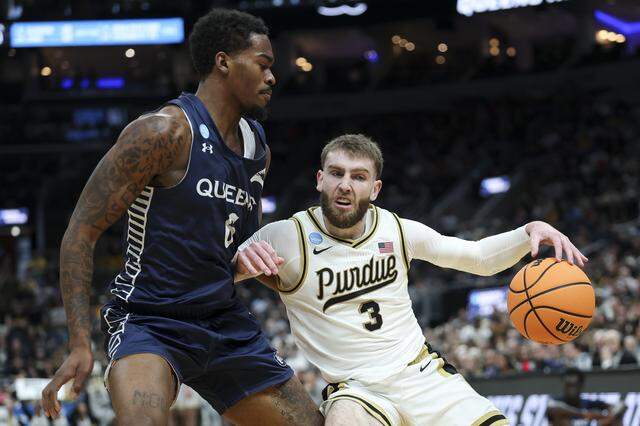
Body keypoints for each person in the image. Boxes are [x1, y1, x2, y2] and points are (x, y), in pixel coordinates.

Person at [41, 8, 323, 425]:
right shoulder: (162, 133)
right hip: (149, 320)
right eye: (263, 65)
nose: (272, 78)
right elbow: (80, 232)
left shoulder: (257, 148)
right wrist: (80, 342)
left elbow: (233, 249)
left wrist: (251, 263)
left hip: (223, 320)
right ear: (223, 61)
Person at [235, 134, 588, 426]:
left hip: (421, 375)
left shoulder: (397, 230)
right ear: (319, 179)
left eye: (358, 177)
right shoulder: (284, 235)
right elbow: (214, 270)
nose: (345, 185)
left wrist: (527, 232)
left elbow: (477, 257)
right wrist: (238, 265)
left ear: (374, 189)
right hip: (358, 391)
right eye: (336, 173)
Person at [547, 368, 626, 426]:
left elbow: (621, 405)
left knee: (615, 419)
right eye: (568, 385)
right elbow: (552, 407)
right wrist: (583, 415)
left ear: (580, 386)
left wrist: (609, 417)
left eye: (574, 386)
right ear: (564, 386)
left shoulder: (587, 403)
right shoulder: (558, 401)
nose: (570, 389)